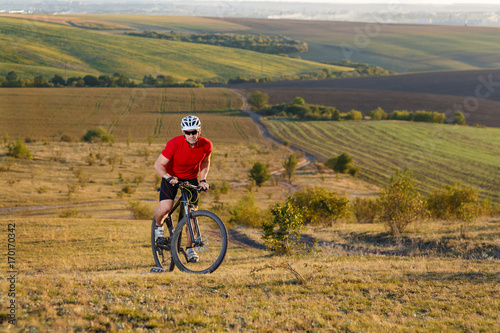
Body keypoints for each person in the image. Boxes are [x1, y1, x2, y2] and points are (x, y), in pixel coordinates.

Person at [153, 115, 211, 262]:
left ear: (199, 130)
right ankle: (158, 227)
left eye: (194, 132)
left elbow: (205, 161)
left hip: (191, 178)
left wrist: (203, 179)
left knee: (191, 216)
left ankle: (190, 248)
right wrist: (167, 177)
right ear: (183, 132)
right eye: (188, 132)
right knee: (166, 208)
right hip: (171, 176)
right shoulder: (174, 143)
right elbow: (158, 165)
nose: (191, 135)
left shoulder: (206, 144)